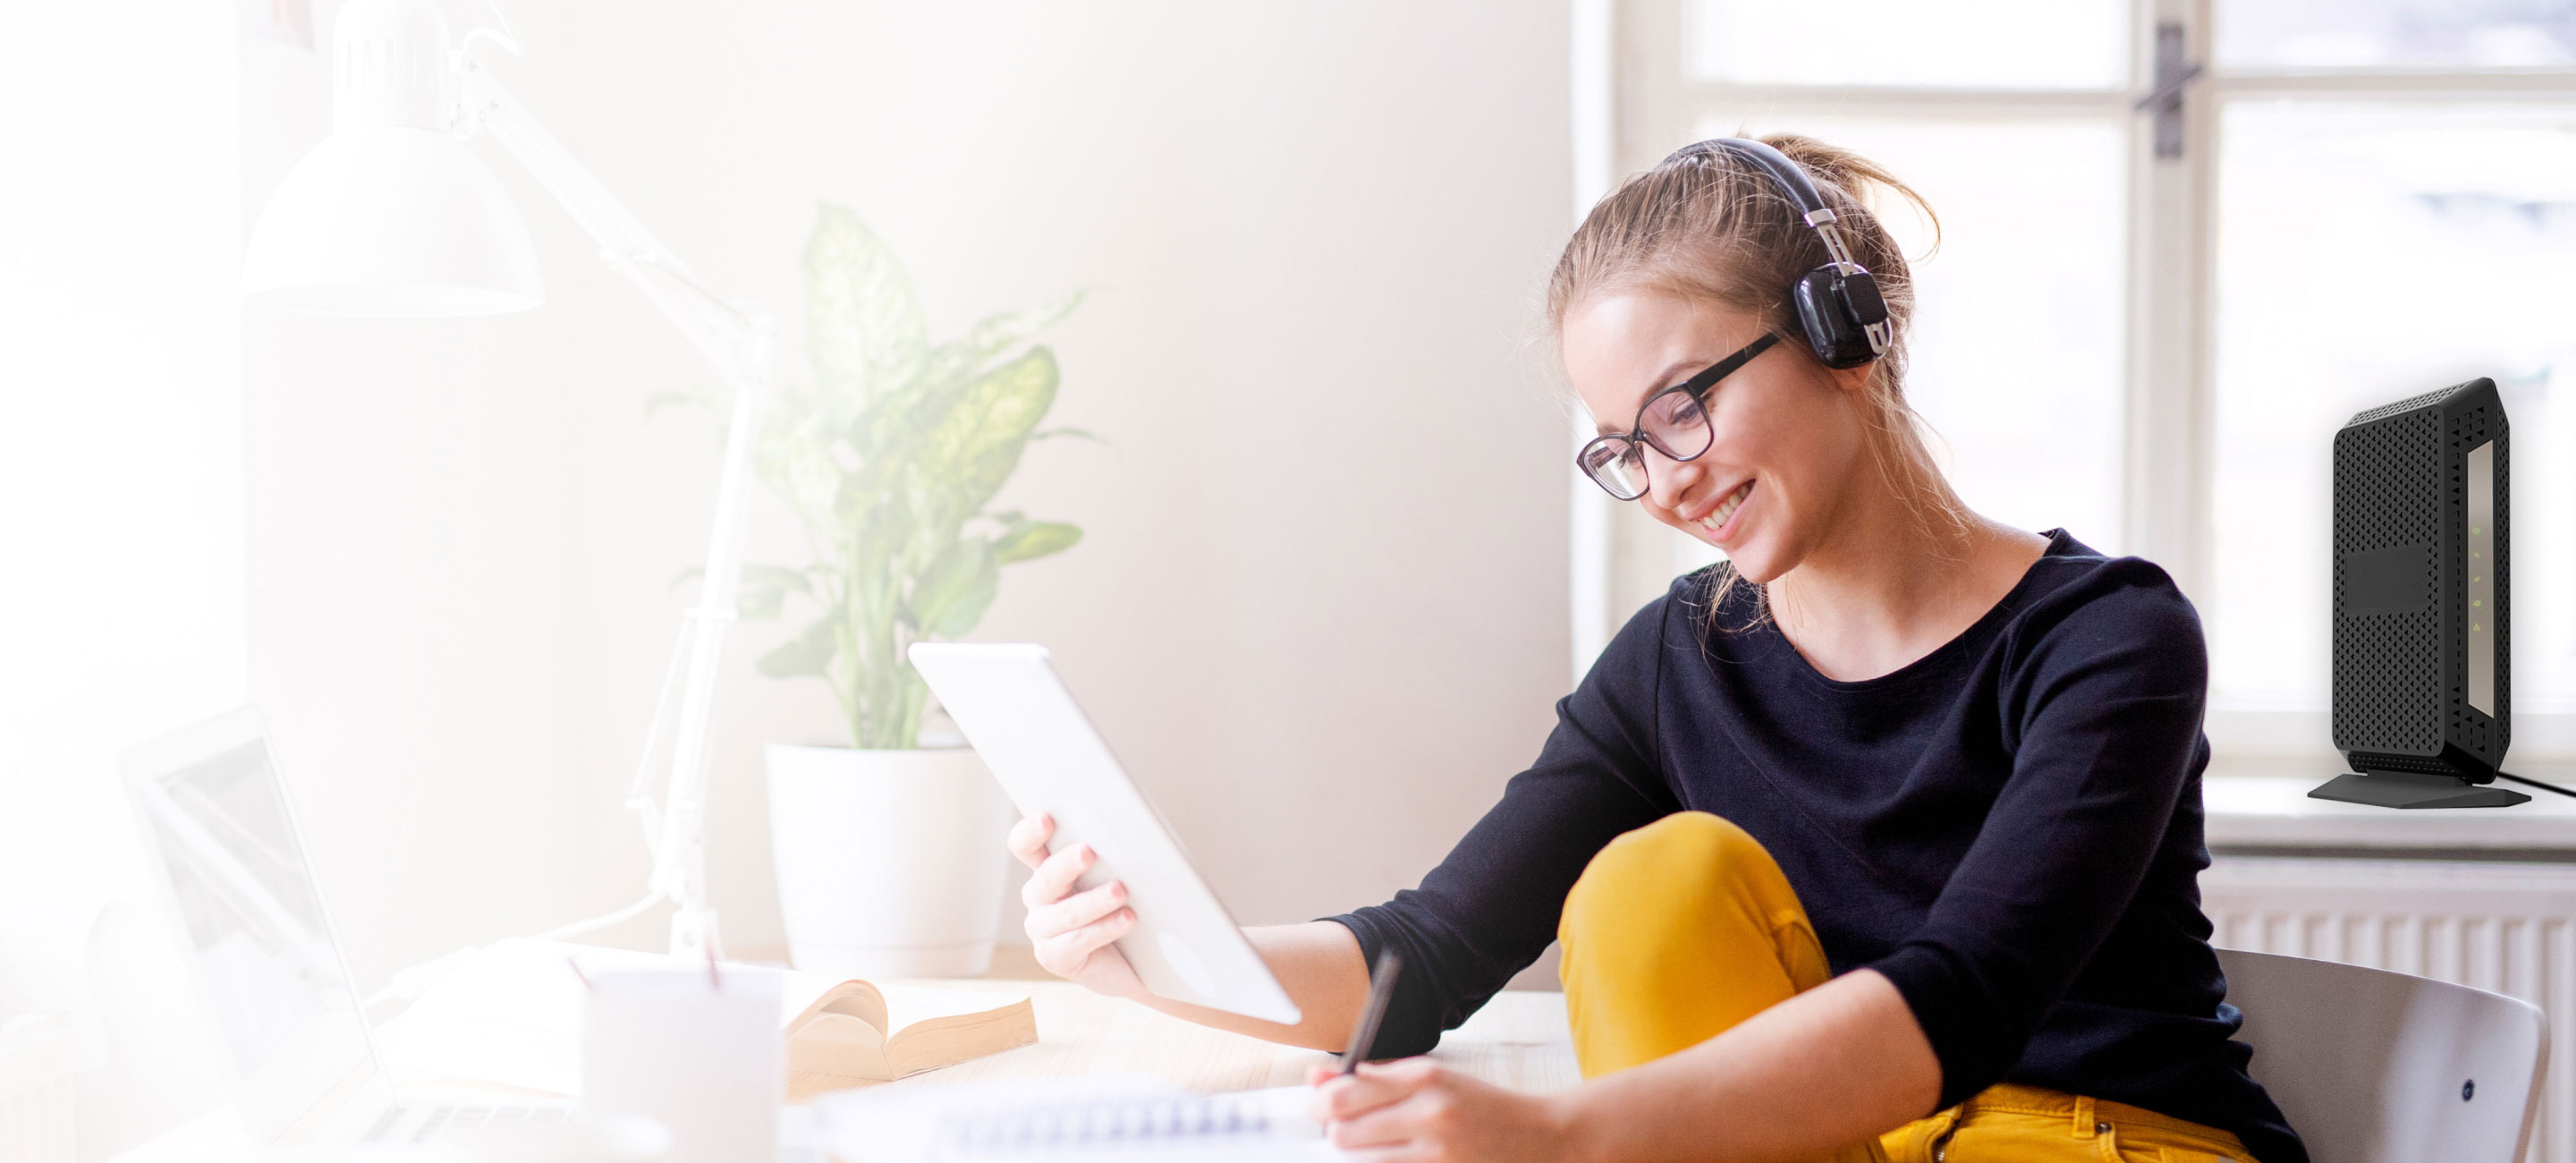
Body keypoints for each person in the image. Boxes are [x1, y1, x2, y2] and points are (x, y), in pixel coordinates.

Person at [1005, 134, 2302, 1163]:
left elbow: (1960, 999)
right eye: (1623, 447)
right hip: (1839, 1146)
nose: (1664, 482)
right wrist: (1154, 952)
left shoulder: (2107, 638)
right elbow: (1426, 955)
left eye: (1683, 409)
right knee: (1650, 883)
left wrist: (1564, 1138)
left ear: (1846, 336)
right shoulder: (1679, 660)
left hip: (2102, 1142)